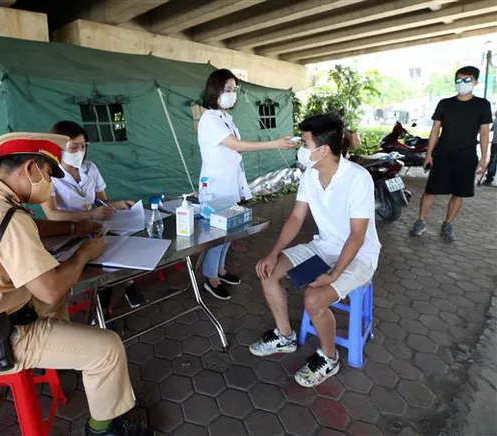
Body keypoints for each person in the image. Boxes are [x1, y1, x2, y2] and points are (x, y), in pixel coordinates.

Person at [0, 132, 152, 436]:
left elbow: (31, 225)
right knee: (108, 347)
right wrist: (85, 252)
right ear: (31, 168)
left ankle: (66, 351)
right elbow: (50, 287)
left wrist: (74, 226)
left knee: (55, 293)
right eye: (48, 174)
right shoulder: (7, 219)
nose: (49, 183)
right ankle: (102, 428)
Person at [250, 115, 381, 388]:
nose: (300, 147)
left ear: (323, 149)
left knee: (314, 298)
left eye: (305, 142)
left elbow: (357, 236)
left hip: (359, 255)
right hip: (324, 246)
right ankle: (285, 336)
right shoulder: (310, 175)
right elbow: (296, 218)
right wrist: (274, 252)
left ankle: (329, 357)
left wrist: (333, 275)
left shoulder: (358, 179)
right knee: (268, 271)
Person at [197, 68, 296, 300]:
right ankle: (210, 279)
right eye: (227, 89)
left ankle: (220, 270)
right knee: (217, 235)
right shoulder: (209, 120)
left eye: (234, 90)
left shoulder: (226, 119)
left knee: (230, 232)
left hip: (230, 187)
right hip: (216, 189)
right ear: (214, 91)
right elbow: (237, 146)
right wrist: (274, 144)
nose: (232, 94)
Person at [42, 121, 145, 310]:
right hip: (68, 232)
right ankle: (105, 310)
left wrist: (116, 205)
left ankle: (119, 292)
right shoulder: (48, 175)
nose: (80, 151)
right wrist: (90, 214)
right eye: (74, 147)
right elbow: (52, 215)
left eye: (83, 146)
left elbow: (100, 201)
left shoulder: (89, 168)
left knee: (122, 248)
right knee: (102, 264)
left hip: (95, 226)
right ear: (59, 148)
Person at [409, 66, 492, 241]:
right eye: (459, 80)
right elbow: (435, 131)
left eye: (467, 80)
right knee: (430, 191)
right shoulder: (445, 104)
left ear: (475, 82)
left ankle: (447, 224)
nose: (462, 84)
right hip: (442, 155)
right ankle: (421, 221)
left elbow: (484, 133)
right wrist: (429, 154)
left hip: (467, 156)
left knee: (459, 193)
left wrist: (484, 158)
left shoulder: (482, 105)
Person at [482, 110, 497, 186]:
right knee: (493, 161)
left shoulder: (496, 119)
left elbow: (491, 129)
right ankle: (489, 178)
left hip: (495, 143)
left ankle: (489, 179)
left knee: (493, 161)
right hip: (495, 142)